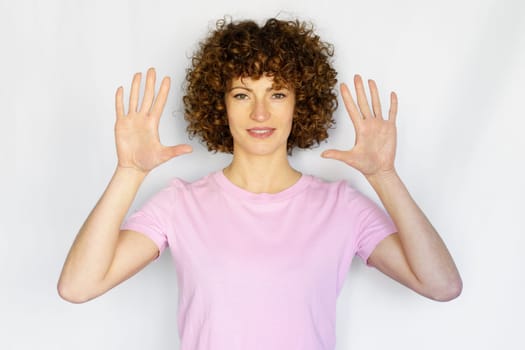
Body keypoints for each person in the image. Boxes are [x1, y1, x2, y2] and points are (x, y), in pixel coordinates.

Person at [58, 17, 462, 349]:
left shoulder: (342, 206)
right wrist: (129, 173)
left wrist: (384, 177)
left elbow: (441, 285)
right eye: (242, 94)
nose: (260, 112)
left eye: (277, 93)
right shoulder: (179, 205)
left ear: (299, 103)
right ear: (220, 105)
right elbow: (78, 286)